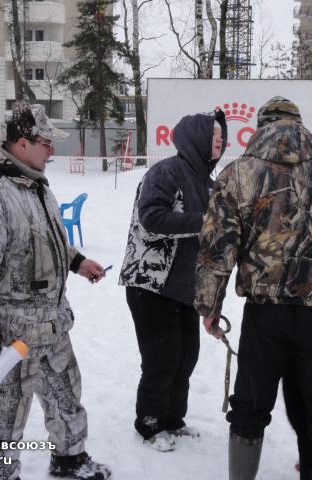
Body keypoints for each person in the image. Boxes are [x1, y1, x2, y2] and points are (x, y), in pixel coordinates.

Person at [194, 97, 312, 480]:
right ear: (300, 126)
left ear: (261, 127)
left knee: (249, 408)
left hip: (265, 316)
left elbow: (217, 249)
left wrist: (209, 306)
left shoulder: (238, 174)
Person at [0, 102, 111, 480]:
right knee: (5, 412)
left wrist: (77, 261)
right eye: (45, 143)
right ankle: (0, 475)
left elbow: (46, 240)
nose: (51, 150)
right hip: (13, 333)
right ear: (22, 143)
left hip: (52, 321)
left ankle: (69, 459)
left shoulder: (36, 184)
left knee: (66, 394)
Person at [118, 109, 227, 451]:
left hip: (183, 287)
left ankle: (173, 419)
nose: (220, 142)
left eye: (222, 137)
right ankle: (150, 423)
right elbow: (151, 218)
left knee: (186, 356)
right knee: (161, 359)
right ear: (196, 138)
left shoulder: (208, 183)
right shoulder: (165, 172)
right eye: (214, 136)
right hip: (151, 284)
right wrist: (204, 221)